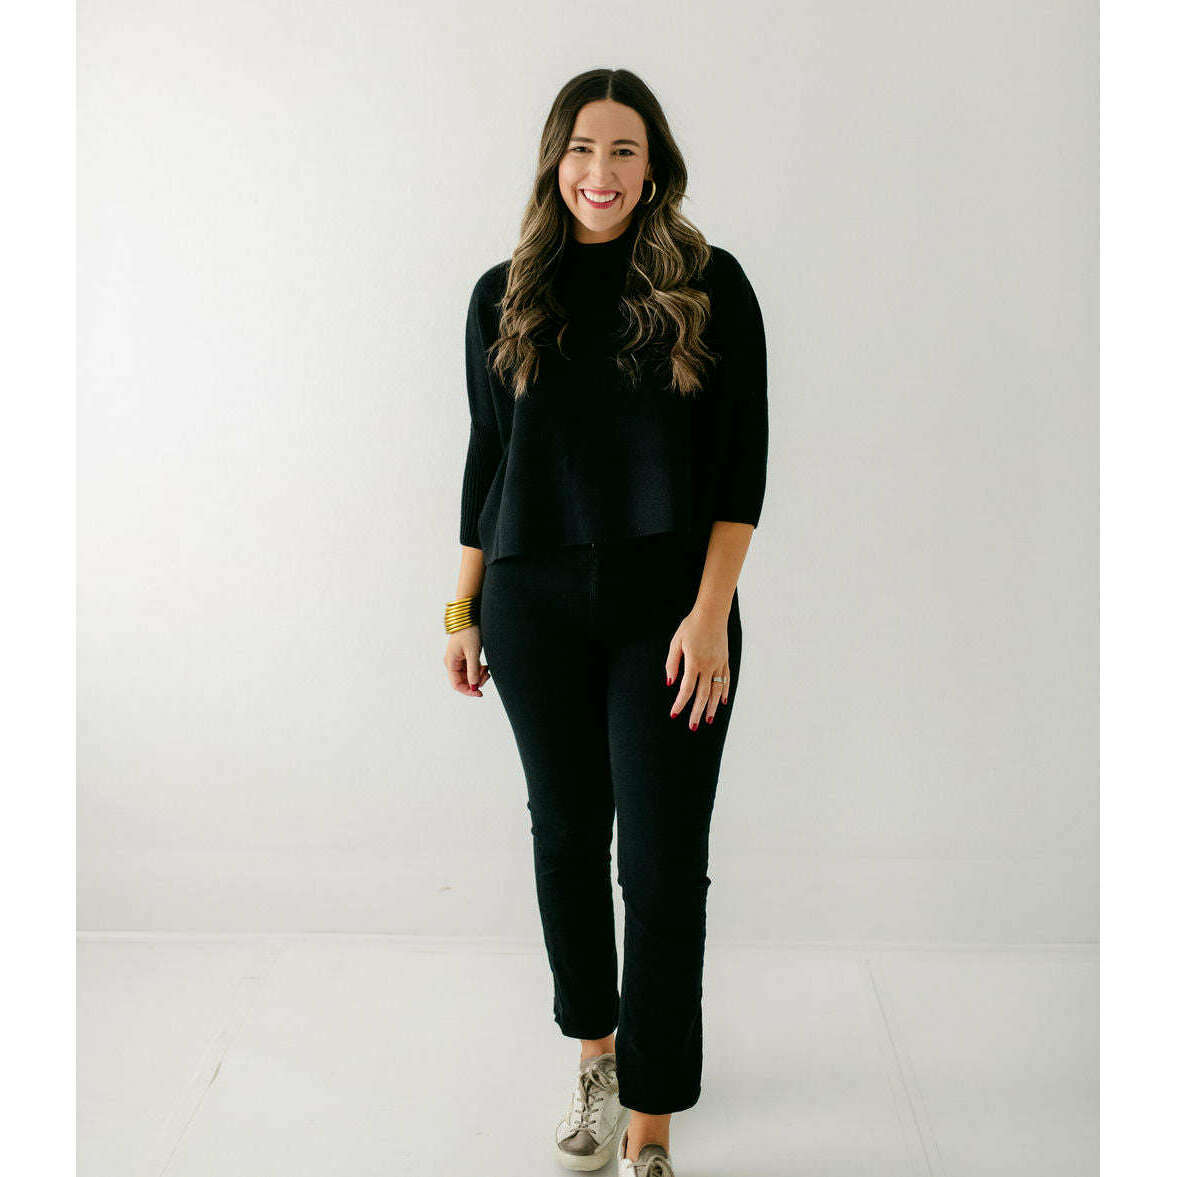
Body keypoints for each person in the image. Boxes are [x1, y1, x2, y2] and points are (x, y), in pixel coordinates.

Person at [442, 68, 768, 1177]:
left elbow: (740, 466)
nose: (601, 171)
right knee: (569, 837)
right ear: (555, 161)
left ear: (654, 165)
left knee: (664, 864)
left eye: (624, 149)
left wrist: (710, 616)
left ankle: (653, 1117)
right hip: (530, 606)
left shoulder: (708, 285)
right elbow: (489, 459)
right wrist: (462, 607)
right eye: (583, 148)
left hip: (670, 616)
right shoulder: (503, 294)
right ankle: (597, 1056)